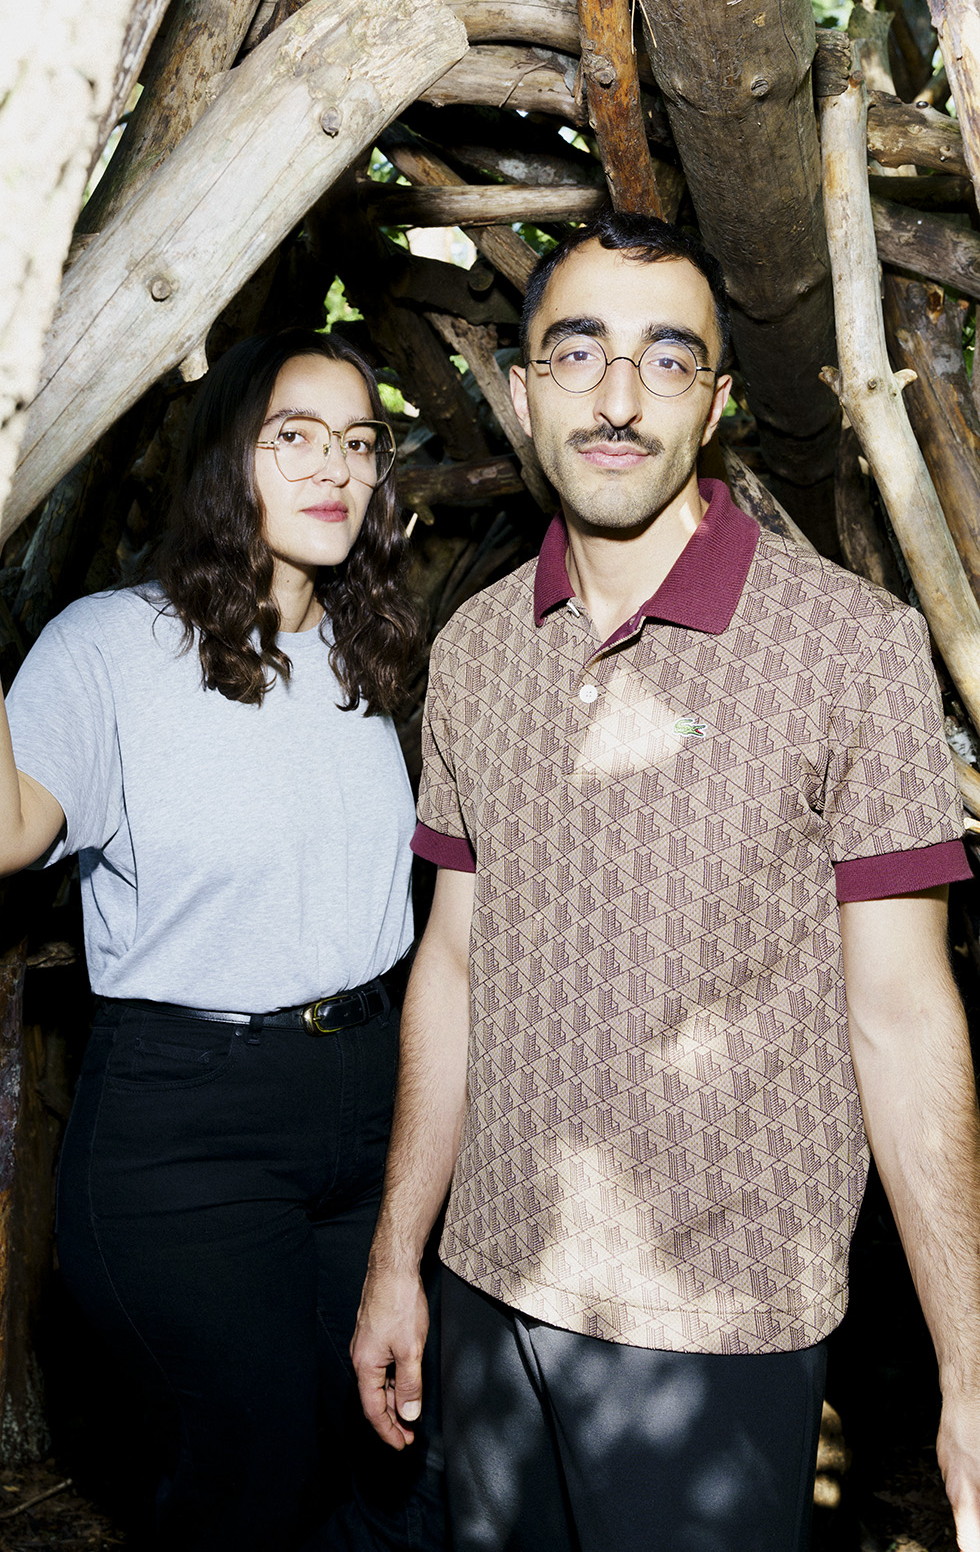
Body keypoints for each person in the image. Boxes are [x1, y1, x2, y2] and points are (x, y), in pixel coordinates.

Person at [351, 211, 980, 1552]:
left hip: (718, 1329)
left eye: (668, 359)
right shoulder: (475, 649)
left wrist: (969, 1365)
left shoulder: (853, 647)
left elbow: (904, 1014)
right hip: (488, 1290)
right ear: (521, 394)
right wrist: (400, 1254)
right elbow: (452, 965)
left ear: (717, 402)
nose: (620, 399)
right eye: (578, 354)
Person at [0, 329, 442, 1551]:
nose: (336, 468)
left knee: (390, 1465)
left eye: (358, 442)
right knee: (255, 1476)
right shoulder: (113, 645)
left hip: (374, 1105)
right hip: (191, 1130)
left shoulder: (367, 643)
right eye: (293, 436)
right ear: (225, 458)